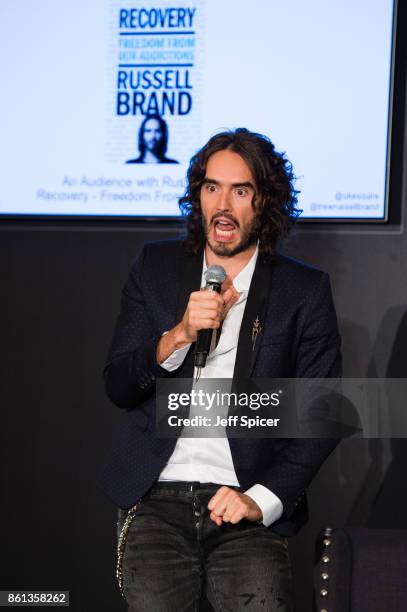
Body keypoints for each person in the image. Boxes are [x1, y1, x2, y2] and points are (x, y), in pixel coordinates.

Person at [102, 128, 342, 611]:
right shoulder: (156, 267)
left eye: (241, 189)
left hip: (244, 506)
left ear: (265, 202)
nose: (223, 204)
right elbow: (119, 384)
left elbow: (324, 415)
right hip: (156, 499)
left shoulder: (303, 291)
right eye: (212, 187)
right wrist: (177, 336)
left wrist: (263, 498)